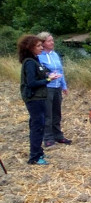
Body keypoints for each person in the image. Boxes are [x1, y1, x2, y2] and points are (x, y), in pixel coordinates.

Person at [19, 35, 60, 165]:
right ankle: (34, 157)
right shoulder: (30, 63)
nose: (41, 48)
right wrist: (48, 80)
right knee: (37, 126)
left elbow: (43, 71)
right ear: (30, 48)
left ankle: (38, 152)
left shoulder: (35, 60)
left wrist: (49, 74)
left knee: (38, 125)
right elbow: (31, 83)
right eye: (38, 46)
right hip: (34, 99)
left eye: (41, 45)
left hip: (39, 97)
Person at [37, 32, 72, 147]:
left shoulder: (55, 55)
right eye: (49, 41)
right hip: (47, 88)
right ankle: (47, 137)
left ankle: (58, 135)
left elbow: (60, 71)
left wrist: (64, 86)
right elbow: (40, 73)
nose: (52, 43)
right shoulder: (38, 56)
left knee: (57, 113)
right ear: (43, 43)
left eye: (52, 40)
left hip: (57, 87)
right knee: (48, 114)